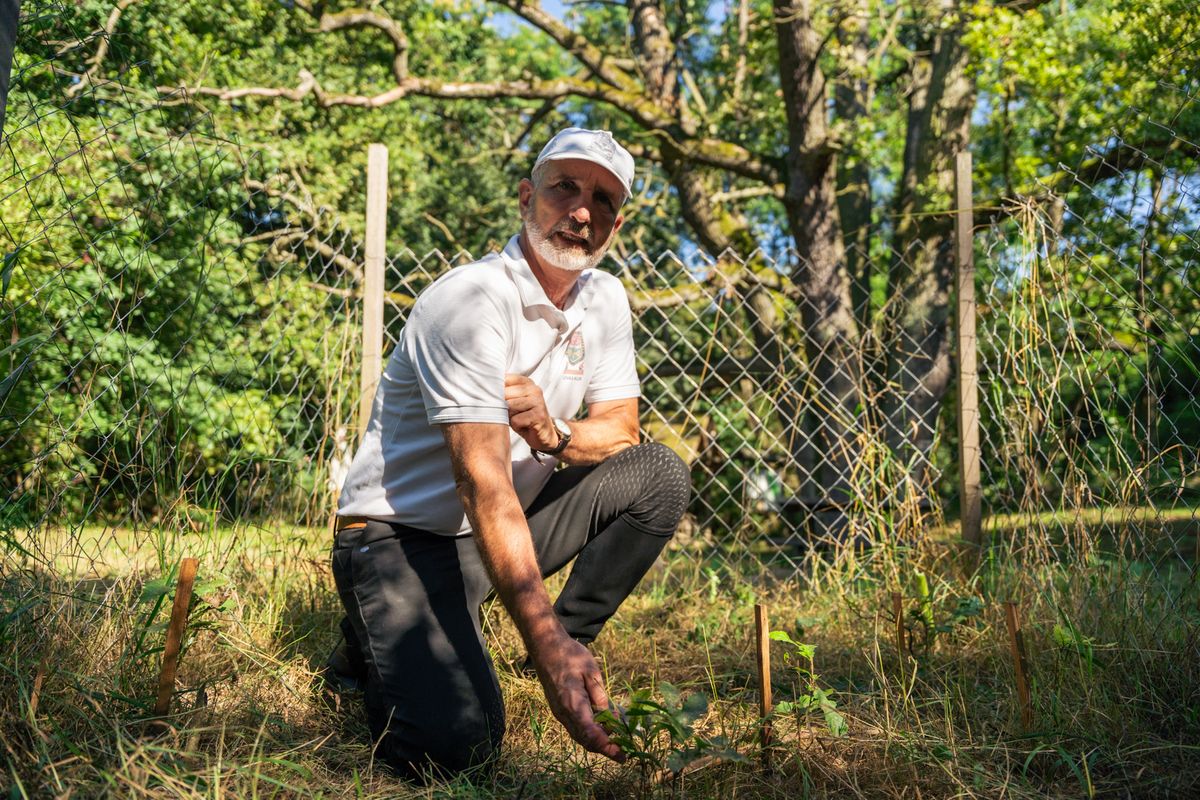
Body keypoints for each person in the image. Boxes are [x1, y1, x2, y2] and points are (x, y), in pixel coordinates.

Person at [328, 127, 691, 780]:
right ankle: (371, 644)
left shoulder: (604, 300)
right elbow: (483, 484)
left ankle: (561, 644)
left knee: (657, 476)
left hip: (491, 531)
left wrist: (555, 433)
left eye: (605, 200)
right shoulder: (469, 301)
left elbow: (622, 432)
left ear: (617, 221)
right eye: (565, 188)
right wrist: (548, 645)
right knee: (456, 752)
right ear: (527, 197)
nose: (582, 212)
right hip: (399, 534)